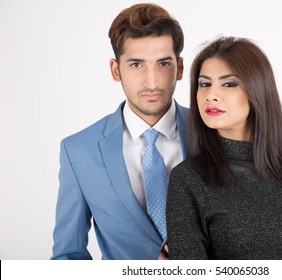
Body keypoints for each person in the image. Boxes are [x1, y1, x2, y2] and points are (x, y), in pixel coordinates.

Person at [166, 37, 282, 259]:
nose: (210, 95)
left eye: (229, 84)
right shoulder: (189, 179)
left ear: (258, 91)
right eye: (204, 84)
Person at [51, 3, 187, 260]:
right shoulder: (78, 151)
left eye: (163, 64)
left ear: (179, 68)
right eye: (136, 65)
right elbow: (68, 257)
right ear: (116, 70)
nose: (152, 81)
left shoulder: (214, 132)